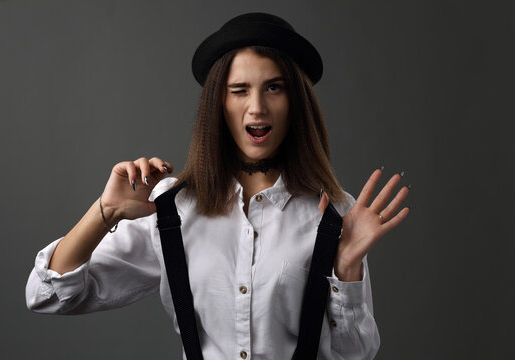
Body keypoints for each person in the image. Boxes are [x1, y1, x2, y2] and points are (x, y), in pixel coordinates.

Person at [26, 12, 409, 360]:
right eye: (239, 90)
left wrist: (346, 269)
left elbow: (356, 356)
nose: (256, 107)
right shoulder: (172, 209)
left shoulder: (333, 212)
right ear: (218, 103)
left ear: (296, 102)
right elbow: (47, 295)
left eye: (274, 88)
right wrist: (105, 212)